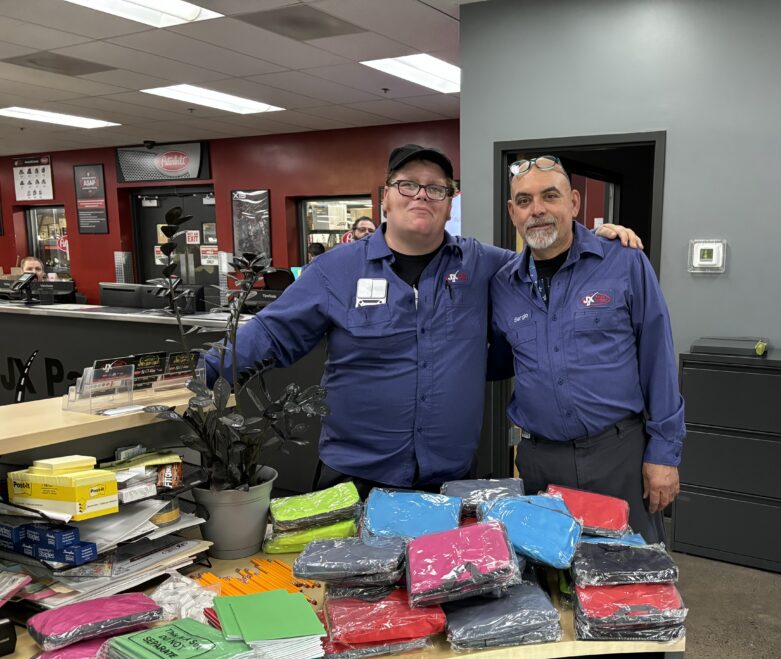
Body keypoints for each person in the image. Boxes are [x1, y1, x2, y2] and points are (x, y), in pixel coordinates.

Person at [207, 145, 638, 497]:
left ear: (450, 204)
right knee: (348, 598)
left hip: (448, 480)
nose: (421, 195)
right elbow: (269, 334)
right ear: (385, 198)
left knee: (442, 593)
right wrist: (199, 375)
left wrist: (590, 238)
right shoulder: (334, 271)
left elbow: (545, 258)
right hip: (356, 477)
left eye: (436, 189)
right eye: (408, 184)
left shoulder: (487, 265)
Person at [489, 156, 684, 543]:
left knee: (627, 583)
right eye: (524, 201)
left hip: (618, 456)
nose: (538, 210)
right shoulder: (503, 284)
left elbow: (658, 359)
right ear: (513, 212)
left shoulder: (625, 262)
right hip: (539, 462)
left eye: (550, 196)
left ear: (574, 203)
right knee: (547, 581)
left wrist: (663, 453)